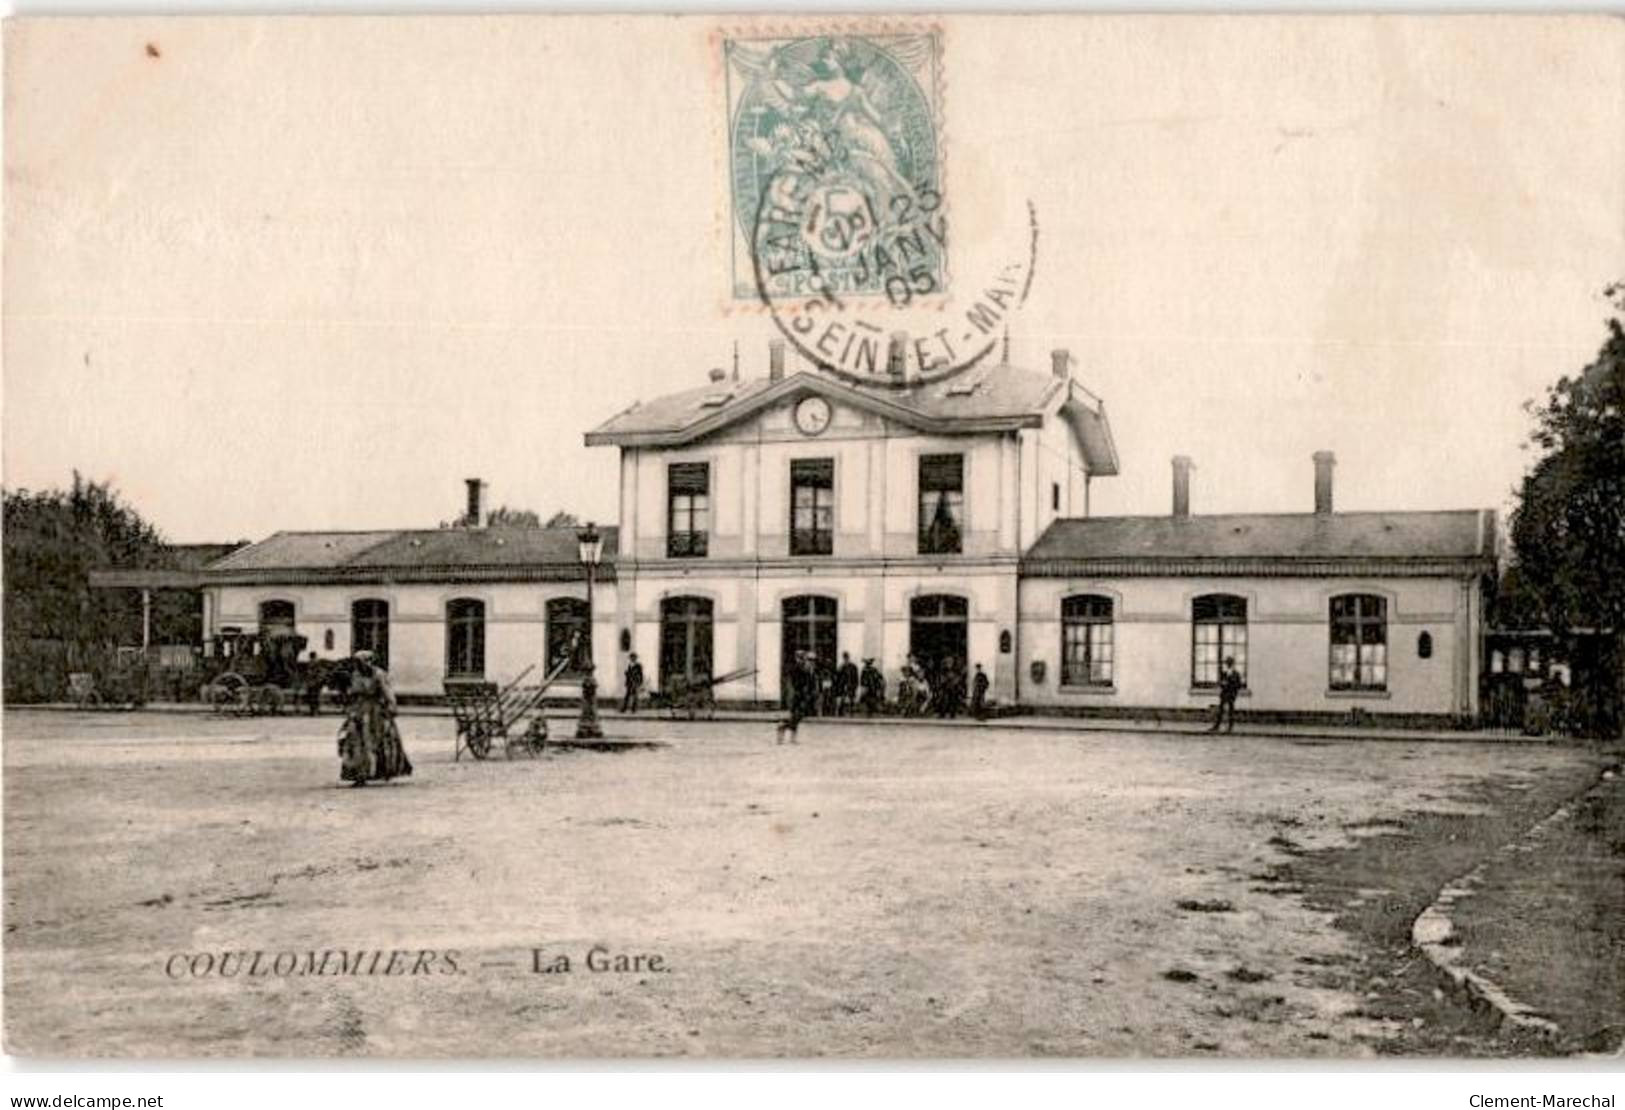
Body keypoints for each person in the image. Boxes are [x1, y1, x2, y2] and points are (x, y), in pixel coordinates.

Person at [338, 650, 412, 787]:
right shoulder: (355, 675)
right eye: (357, 663)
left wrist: (391, 707)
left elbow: (387, 692)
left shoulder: (378, 674)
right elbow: (352, 693)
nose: (359, 666)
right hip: (358, 710)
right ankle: (359, 774)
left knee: (376, 741)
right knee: (356, 741)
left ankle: (382, 771)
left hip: (375, 711)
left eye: (361, 662)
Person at [778, 652, 817, 745]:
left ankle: (788, 733)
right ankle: (784, 728)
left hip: (804, 696)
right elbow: (796, 683)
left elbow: (811, 683)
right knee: (796, 716)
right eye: (809, 659)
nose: (811, 662)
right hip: (797, 696)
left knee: (797, 717)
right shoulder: (797, 669)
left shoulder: (808, 669)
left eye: (813, 660)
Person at [1208, 656, 1242, 734]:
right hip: (1224, 694)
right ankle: (1216, 726)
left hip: (1231, 694)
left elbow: (1238, 685)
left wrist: (1230, 685)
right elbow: (1220, 682)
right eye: (1227, 663)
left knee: (1231, 710)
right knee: (1221, 710)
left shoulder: (1236, 674)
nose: (1228, 664)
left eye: (1230, 663)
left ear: (1232, 664)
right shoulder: (1224, 673)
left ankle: (1230, 727)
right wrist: (1222, 684)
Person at [836, 652, 859, 717]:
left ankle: (851, 712)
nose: (846, 659)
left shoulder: (853, 667)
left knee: (851, 699)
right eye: (845, 658)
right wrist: (840, 686)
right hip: (843, 685)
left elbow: (855, 677)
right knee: (842, 699)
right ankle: (841, 712)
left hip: (851, 685)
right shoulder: (841, 667)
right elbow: (839, 677)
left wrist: (855, 685)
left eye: (846, 657)